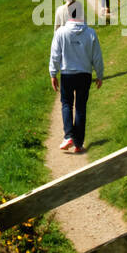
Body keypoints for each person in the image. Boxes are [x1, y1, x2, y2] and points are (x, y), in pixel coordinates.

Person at [49, 12, 104, 154]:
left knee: (67, 104)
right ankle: (78, 144)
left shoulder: (60, 32)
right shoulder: (90, 33)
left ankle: (68, 136)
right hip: (84, 74)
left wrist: (53, 73)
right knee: (80, 107)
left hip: (67, 74)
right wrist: (99, 75)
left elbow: (55, 54)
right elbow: (96, 56)